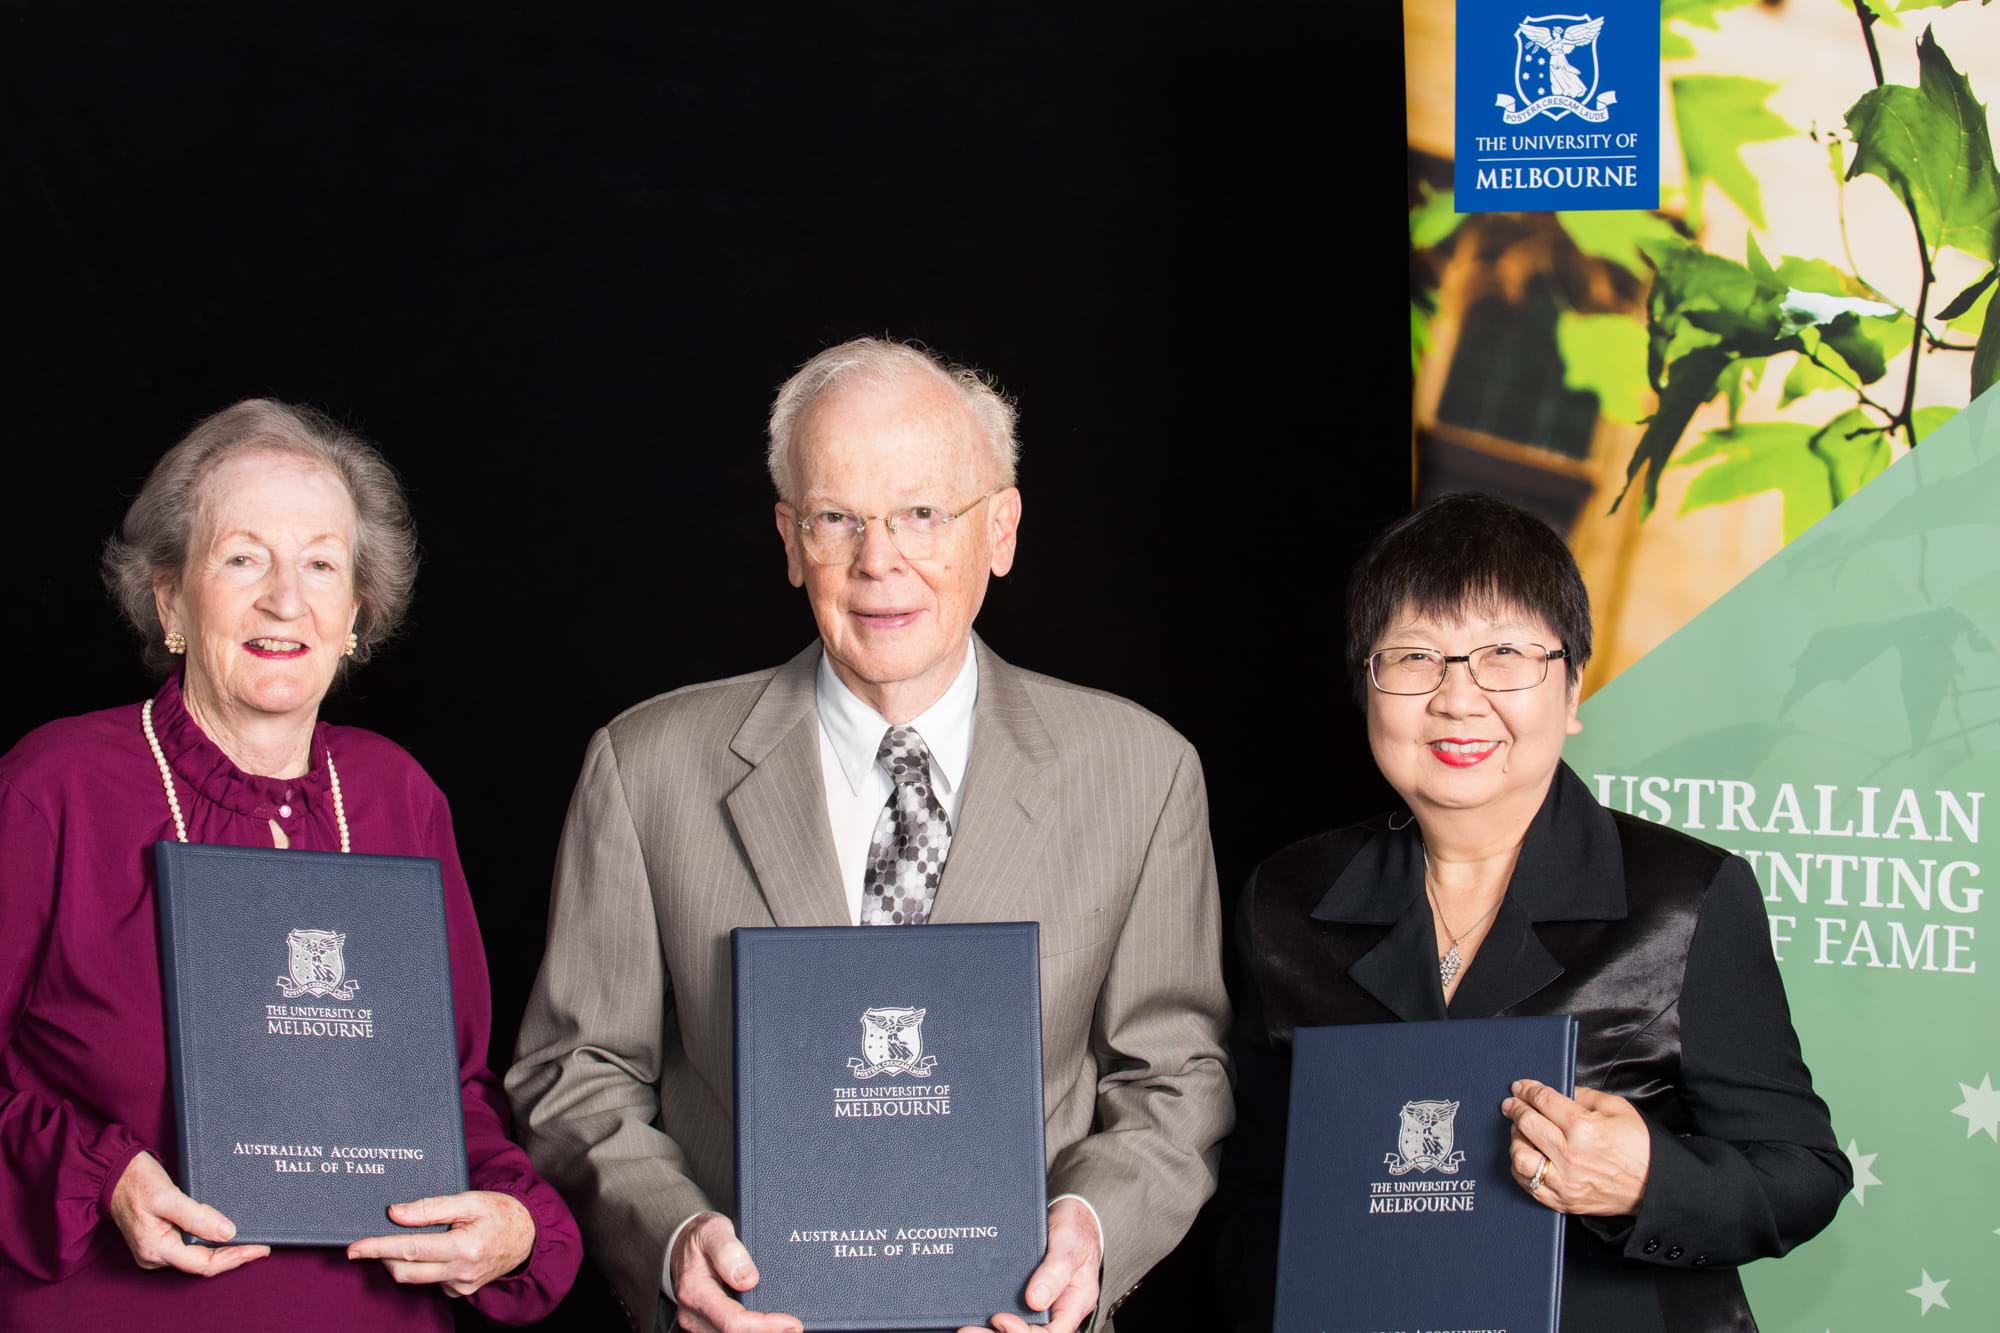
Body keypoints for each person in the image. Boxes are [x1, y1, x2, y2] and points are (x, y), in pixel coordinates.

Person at [506, 337, 1233, 1333]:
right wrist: (675, 1240)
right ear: (787, 536)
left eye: (922, 514)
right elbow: (576, 1072)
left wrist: (1091, 1228)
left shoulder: (1142, 773)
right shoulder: (646, 769)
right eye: (836, 517)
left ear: (1002, 528)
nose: (876, 559)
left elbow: (1175, 1075)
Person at [0, 400, 581, 1328]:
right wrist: (100, 1178)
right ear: (170, 596)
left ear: (355, 612)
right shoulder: (52, 789)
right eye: (243, 557)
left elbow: (455, 1093)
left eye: (320, 563)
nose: (285, 599)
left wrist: (512, 1222)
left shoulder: (400, 799)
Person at [1216, 492, 1849, 1329]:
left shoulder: (1686, 897)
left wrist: (1649, 1180)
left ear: (1573, 686)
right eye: (1414, 657)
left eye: (1504, 654)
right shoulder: (1286, 901)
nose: (1457, 697)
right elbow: (1255, 1192)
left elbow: (1802, 1172)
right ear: (1366, 686)